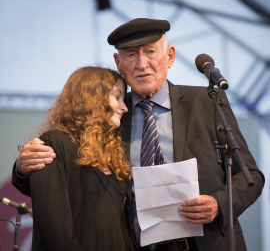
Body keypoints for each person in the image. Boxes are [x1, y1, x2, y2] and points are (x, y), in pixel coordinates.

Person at [12, 18, 264, 251]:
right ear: (118, 63)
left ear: (170, 56)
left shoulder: (207, 101)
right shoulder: (108, 116)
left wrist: (218, 204)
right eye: (131, 55)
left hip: (207, 243)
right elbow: (72, 180)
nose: (142, 64)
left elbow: (250, 176)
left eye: (151, 52)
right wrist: (23, 170)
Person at [18, 66, 137, 251]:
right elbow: (55, 232)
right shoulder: (54, 144)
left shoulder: (114, 154)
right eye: (117, 97)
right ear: (93, 97)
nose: (124, 107)